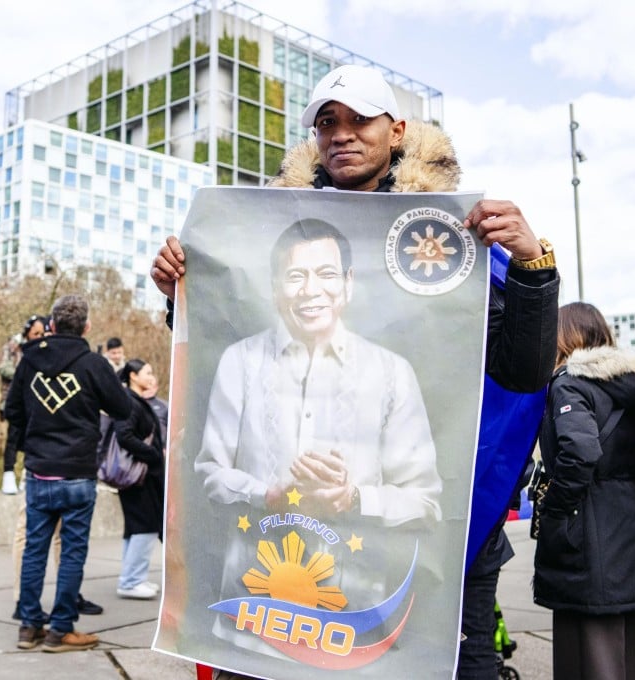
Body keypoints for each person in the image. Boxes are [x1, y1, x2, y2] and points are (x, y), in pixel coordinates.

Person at [151, 64, 559, 680]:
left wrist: (533, 266)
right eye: (326, 122)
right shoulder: (262, 228)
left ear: (395, 131)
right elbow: (218, 353)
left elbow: (524, 373)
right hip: (281, 561)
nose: (341, 134)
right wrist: (180, 293)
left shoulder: (446, 238)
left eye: (359, 120)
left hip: (433, 553)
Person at [195, 219, 441, 524]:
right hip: (254, 567)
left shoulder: (392, 372)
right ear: (274, 288)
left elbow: (424, 499)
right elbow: (209, 475)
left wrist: (354, 498)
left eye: (326, 274)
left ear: (348, 283)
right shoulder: (239, 361)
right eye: (295, 276)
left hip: (357, 569)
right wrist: (269, 496)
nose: (310, 290)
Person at [534, 303, 635, 680]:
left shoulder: (569, 383)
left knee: (590, 653)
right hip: (632, 522)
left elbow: (580, 452)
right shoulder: (629, 386)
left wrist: (557, 507)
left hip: (590, 530)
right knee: (626, 652)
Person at [5, 294, 131, 653]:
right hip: (77, 473)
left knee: (34, 550)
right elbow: (122, 408)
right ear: (86, 327)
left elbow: (12, 410)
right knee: (72, 552)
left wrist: (39, 429)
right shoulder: (93, 364)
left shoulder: (29, 360)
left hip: (39, 471)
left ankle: (29, 628)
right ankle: (60, 630)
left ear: (53, 325)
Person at [113, 359, 165, 599]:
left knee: (135, 528)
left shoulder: (133, 401)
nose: (151, 376)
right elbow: (124, 435)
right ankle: (131, 580)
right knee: (146, 526)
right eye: (147, 372)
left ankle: (132, 576)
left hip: (143, 476)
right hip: (140, 476)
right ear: (133, 376)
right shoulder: (130, 403)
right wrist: (153, 454)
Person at [0, 315, 48, 494]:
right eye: (36, 333)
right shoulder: (13, 346)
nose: (39, 336)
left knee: (33, 439)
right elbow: (3, 367)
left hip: (36, 400)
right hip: (15, 398)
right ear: (27, 332)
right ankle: (8, 474)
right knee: (13, 437)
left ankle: (27, 475)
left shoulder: (44, 349)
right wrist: (24, 373)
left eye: (42, 333)